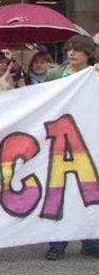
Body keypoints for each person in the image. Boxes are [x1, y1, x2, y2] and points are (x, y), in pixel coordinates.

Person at [43, 35, 99, 260]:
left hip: (88, 138)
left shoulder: (94, 75)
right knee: (60, 190)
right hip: (60, 138)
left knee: (89, 190)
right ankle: (57, 243)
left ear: (88, 53)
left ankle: (91, 240)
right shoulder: (55, 74)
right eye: (69, 50)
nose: (72, 54)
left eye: (77, 50)